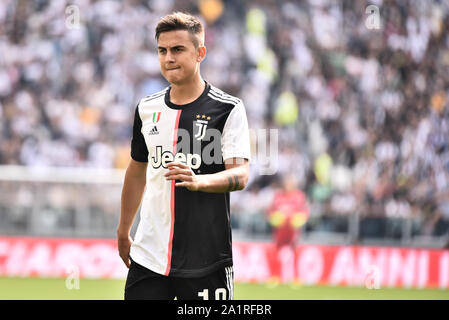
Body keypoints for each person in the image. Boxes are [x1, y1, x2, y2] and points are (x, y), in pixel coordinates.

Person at [116, 12, 251, 300]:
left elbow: (240, 175)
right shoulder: (146, 108)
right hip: (149, 257)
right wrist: (124, 229)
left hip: (207, 259)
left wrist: (199, 181)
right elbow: (137, 170)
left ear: (200, 53)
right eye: (162, 51)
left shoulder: (228, 109)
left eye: (178, 49)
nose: (168, 58)